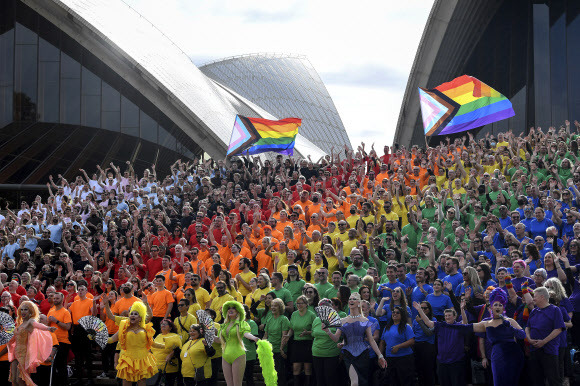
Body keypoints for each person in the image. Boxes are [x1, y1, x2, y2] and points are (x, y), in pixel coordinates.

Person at [461, 288, 525, 386]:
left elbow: (521, 335)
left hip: (511, 356)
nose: (498, 307)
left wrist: (510, 328)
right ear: (491, 307)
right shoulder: (486, 321)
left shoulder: (510, 321)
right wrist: (483, 357)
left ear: (504, 307)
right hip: (493, 356)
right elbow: (479, 337)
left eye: (500, 304)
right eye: (495, 304)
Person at [323, 293, 387, 386]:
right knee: (354, 383)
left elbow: (371, 340)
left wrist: (380, 356)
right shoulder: (342, 320)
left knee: (362, 382)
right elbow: (336, 338)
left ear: (358, 303)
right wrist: (328, 331)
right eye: (350, 299)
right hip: (348, 355)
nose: (351, 301)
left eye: (354, 299)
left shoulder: (365, 320)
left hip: (363, 355)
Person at [414, 301, 473, 386]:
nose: (447, 317)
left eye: (449, 315)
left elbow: (465, 322)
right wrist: (420, 310)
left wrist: (462, 309)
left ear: (454, 316)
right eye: (446, 316)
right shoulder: (440, 325)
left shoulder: (459, 326)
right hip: (442, 362)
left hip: (456, 362)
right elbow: (428, 322)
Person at [105, 300, 159, 386]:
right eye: (131, 313)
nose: (132, 315)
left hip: (142, 359)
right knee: (126, 382)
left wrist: (165, 345)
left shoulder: (146, 328)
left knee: (141, 382)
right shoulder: (124, 327)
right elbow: (111, 339)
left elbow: (154, 343)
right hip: (128, 359)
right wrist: (96, 337)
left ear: (140, 317)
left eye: (135, 314)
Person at [7, 301, 56, 386]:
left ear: (30, 311)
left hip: (24, 354)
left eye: (26, 309)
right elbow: (13, 338)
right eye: (21, 310)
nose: (23, 312)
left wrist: (48, 328)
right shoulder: (19, 324)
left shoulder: (30, 321)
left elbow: (37, 325)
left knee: (21, 380)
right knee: (14, 380)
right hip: (15, 352)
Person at [526, 287, 566, 386]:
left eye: (534, 297)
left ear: (542, 297)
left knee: (553, 380)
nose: (533, 299)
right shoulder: (534, 311)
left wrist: (543, 341)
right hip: (534, 350)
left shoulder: (555, 310)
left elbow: (559, 329)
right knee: (537, 379)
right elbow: (527, 327)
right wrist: (529, 339)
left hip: (549, 351)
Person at [217, 300, 260, 386]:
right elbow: (219, 340)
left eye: (234, 308)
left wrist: (254, 338)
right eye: (229, 308)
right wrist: (207, 335)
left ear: (238, 311)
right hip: (225, 356)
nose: (231, 310)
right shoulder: (223, 325)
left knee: (237, 384)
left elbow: (246, 333)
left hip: (238, 355)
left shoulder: (242, 324)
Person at [379, 305, 415, 386]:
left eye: (397, 312)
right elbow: (382, 342)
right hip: (390, 358)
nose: (395, 314)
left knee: (405, 381)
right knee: (391, 382)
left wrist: (399, 346)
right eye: (393, 312)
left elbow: (412, 341)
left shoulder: (406, 327)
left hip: (404, 358)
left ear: (402, 315)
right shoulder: (387, 327)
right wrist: (380, 356)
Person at [284, 294, 316, 385]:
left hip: (308, 343)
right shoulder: (294, 314)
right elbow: (292, 329)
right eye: (297, 303)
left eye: (301, 303)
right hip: (296, 343)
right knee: (296, 368)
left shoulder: (312, 315)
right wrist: (288, 336)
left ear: (306, 304)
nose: (298, 305)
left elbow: (315, 330)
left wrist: (307, 333)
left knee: (307, 368)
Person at [46, 291, 71, 385]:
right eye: (54, 298)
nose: (55, 300)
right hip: (52, 341)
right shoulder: (51, 310)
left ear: (62, 300)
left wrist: (56, 321)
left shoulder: (65, 312)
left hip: (62, 342)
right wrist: (48, 322)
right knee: (54, 365)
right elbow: (47, 324)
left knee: (61, 366)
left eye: (57, 298)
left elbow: (68, 327)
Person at [263, 298, 291, 386]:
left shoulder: (284, 319)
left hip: (280, 351)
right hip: (270, 351)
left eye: (275, 306)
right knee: (270, 374)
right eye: (272, 306)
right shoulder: (269, 319)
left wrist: (281, 349)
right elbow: (265, 336)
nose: (273, 307)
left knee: (280, 374)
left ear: (280, 307)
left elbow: (284, 336)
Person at [148, 319, 182, 386]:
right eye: (161, 324)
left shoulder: (175, 336)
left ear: (170, 327)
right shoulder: (158, 336)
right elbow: (152, 348)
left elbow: (178, 348)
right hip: (156, 368)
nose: (162, 325)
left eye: (165, 324)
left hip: (168, 368)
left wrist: (170, 355)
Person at [412, 301, 436, 386]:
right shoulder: (415, 320)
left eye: (425, 308)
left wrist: (421, 322)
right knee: (419, 369)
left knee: (428, 370)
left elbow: (429, 333)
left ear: (429, 309)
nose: (423, 309)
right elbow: (413, 334)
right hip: (418, 346)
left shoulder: (433, 320)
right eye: (421, 308)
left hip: (428, 346)